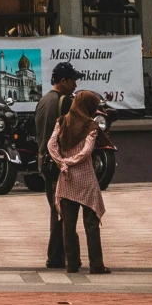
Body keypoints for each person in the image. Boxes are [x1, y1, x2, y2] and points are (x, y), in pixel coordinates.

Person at [48, 87, 108, 276]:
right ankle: (96, 265)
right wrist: (71, 162)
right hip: (86, 179)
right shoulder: (91, 126)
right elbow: (86, 151)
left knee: (68, 224)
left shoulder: (62, 121)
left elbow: (51, 144)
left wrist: (62, 163)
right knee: (91, 224)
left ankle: (72, 264)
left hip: (66, 179)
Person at [33, 60, 78, 269]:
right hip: (57, 162)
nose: (75, 85)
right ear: (63, 81)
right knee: (62, 211)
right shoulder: (64, 102)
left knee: (56, 209)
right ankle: (56, 256)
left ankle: (56, 255)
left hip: (45, 160)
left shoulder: (44, 100)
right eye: (73, 80)